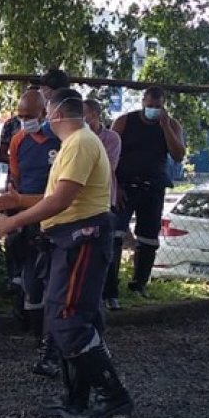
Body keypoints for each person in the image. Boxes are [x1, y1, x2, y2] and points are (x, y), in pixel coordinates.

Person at [0, 93, 133, 418]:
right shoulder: (75, 144)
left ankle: (112, 395)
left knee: (67, 318)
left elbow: (62, 200)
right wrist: (19, 199)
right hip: (71, 239)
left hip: (83, 238)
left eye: (47, 111)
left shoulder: (80, 143)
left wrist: (12, 221)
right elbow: (58, 195)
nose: (44, 117)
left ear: (60, 113)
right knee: (74, 316)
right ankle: (77, 398)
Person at [0, 89, 63, 377]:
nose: (24, 121)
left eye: (29, 116)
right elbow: (15, 181)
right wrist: (16, 215)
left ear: (43, 113)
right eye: (20, 116)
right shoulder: (18, 140)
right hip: (27, 216)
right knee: (31, 281)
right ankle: (40, 339)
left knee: (56, 283)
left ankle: (57, 342)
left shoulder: (60, 140)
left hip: (58, 216)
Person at [110, 86, 186, 299]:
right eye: (150, 105)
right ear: (142, 102)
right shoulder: (125, 121)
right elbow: (110, 155)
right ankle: (110, 288)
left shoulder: (171, 125)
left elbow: (178, 154)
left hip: (153, 187)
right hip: (124, 186)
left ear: (164, 106)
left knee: (149, 238)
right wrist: (115, 187)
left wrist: (166, 127)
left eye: (158, 107)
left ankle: (139, 283)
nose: (153, 110)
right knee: (115, 235)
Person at [85, 98, 125, 310]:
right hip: (81, 200)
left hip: (103, 199)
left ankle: (110, 294)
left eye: (85, 115)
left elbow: (106, 166)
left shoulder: (112, 138)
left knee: (105, 249)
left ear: (95, 115)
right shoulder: (75, 137)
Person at [0, 68, 70, 167]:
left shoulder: (63, 127)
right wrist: (23, 162)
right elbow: (2, 155)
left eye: (43, 89)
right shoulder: (13, 125)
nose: (39, 92)